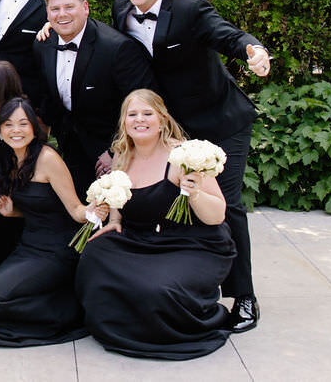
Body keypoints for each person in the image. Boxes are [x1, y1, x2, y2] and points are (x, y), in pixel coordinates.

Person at [113, 0, 270, 332]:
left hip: (220, 122)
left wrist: (255, 49)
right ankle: (193, 282)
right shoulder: (121, 9)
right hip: (172, 127)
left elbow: (228, 35)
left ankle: (243, 295)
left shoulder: (189, 8)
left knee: (226, 204)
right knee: (177, 199)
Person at [75, 89, 236, 360]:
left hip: (192, 243)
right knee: (92, 258)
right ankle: (119, 325)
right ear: (124, 122)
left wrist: (194, 193)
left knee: (156, 290)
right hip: (142, 238)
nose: (140, 119)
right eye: (132, 114)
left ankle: (186, 317)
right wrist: (113, 220)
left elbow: (218, 214)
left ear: (161, 119)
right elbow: (119, 199)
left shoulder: (183, 156)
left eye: (147, 114)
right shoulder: (122, 157)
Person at [0, 97, 96, 348]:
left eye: (23, 123)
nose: (16, 130)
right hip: (28, 247)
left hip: (57, 250)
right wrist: (14, 212)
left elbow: (75, 209)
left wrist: (97, 208)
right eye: (9, 125)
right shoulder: (7, 159)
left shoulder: (47, 158)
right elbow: (39, 207)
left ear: (34, 127)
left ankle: (71, 311)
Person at [33, 0, 156, 194]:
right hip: (70, 147)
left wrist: (116, 150)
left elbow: (143, 103)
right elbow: (47, 96)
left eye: (69, 7)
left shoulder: (116, 49)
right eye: (55, 9)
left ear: (85, 7)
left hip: (114, 151)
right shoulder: (44, 43)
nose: (62, 14)